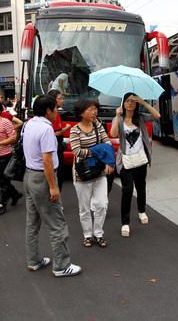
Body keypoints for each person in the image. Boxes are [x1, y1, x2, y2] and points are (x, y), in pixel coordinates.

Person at [22, 94, 81, 277]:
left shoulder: (29, 124)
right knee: (57, 223)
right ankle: (62, 266)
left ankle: (33, 260)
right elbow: (47, 160)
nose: (57, 111)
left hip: (29, 175)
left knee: (32, 222)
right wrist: (53, 186)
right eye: (55, 108)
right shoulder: (46, 130)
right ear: (48, 110)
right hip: (43, 178)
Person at [110, 93, 161, 238]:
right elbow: (113, 134)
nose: (130, 104)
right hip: (126, 160)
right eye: (127, 101)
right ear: (123, 103)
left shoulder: (140, 118)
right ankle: (125, 222)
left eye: (133, 101)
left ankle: (141, 210)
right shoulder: (119, 118)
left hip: (140, 159)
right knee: (127, 190)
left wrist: (144, 103)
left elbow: (157, 116)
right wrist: (116, 116)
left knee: (141, 186)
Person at [70, 99, 114, 248]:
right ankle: (87, 235)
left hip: (99, 171)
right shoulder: (74, 130)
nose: (94, 112)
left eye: (95, 109)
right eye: (90, 109)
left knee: (102, 204)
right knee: (84, 208)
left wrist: (108, 159)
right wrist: (99, 151)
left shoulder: (98, 125)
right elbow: (77, 151)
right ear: (81, 112)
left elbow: (107, 143)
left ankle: (98, 233)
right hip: (81, 174)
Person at [47, 90, 71, 190]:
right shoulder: (54, 114)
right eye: (60, 98)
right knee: (58, 172)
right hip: (55, 146)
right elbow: (55, 133)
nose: (62, 100)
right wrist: (66, 128)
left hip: (56, 145)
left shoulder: (55, 112)